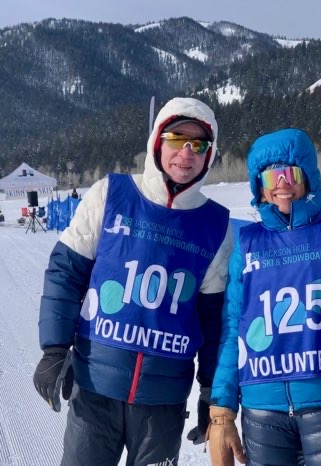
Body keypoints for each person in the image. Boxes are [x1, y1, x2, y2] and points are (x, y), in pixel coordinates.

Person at [32, 97, 233, 466]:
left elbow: (215, 322)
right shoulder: (111, 194)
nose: (186, 153)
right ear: (157, 141)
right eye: (176, 139)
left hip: (163, 403)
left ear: (209, 154)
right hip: (95, 388)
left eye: (198, 144)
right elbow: (66, 272)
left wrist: (211, 391)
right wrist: (54, 349)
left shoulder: (216, 225)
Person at [207, 128, 321, 466]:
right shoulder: (247, 243)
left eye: (291, 173)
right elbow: (234, 329)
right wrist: (222, 408)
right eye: (271, 175)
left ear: (307, 176)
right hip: (262, 412)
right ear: (259, 185)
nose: (282, 183)